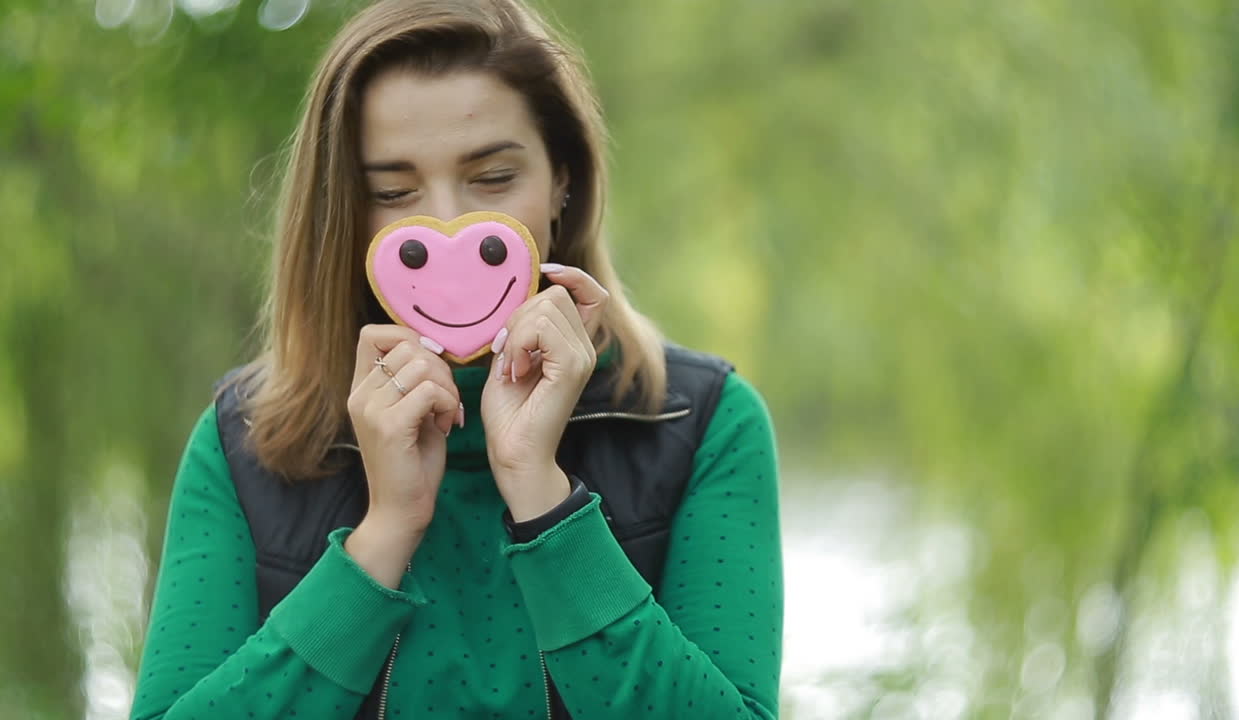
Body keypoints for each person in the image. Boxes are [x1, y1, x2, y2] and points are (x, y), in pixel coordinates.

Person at [129, 0, 783, 718]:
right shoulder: (241, 445)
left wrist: (542, 497)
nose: (444, 227)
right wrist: (382, 537)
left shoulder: (703, 423)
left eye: (494, 178)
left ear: (563, 179)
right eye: (392, 192)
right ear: (343, 212)